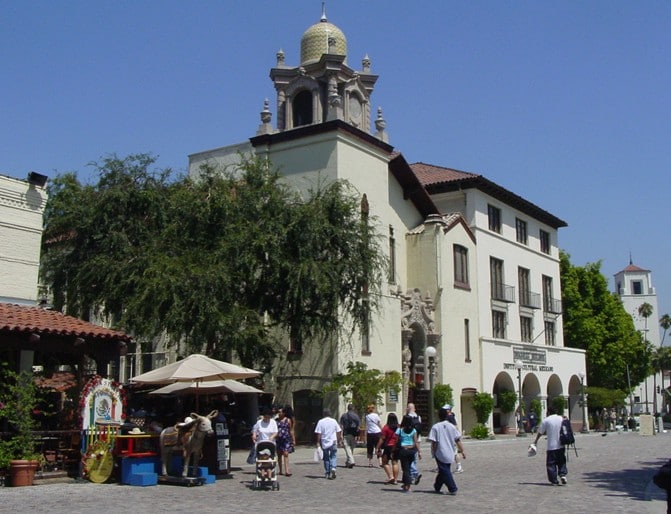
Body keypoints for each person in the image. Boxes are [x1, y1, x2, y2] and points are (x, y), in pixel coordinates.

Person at [428, 406, 465, 495]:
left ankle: (452, 488)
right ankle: (437, 486)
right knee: (443, 470)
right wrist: (462, 450)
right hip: (450, 450)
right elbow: (457, 439)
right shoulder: (452, 426)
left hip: (440, 451)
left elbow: (434, 442)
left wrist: (433, 451)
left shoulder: (436, 427)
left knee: (445, 470)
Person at [531, 405, 567, 485]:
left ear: (548, 412)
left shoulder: (546, 420)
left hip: (551, 446)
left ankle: (554, 480)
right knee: (561, 461)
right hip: (561, 444)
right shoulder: (561, 419)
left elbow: (540, 432)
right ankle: (562, 475)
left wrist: (536, 441)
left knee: (551, 463)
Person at [315, 408, 343, 480]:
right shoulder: (333, 421)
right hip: (333, 441)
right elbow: (339, 431)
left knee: (326, 458)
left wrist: (318, 442)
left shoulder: (320, 422)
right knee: (333, 456)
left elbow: (319, 433)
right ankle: (333, 468)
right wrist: (339, 439)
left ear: (323, 414)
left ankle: (328, 472)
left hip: (325, 442)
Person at [396, 414, 421, 492]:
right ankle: (405, 484)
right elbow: (416, 441)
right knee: (408, 467)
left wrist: (394, 450)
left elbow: (396, 440)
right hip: (411, 450)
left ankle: (408, 485)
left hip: (403, 450)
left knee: (405, 469)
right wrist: (419, 451)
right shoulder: (413, 430)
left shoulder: (400, 430)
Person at [375, 412, 400, 484]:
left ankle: (391, 476)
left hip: (388, 446)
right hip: (396, 446)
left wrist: (377, 447)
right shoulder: (399, 427)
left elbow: (382, 438)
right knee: (395, 463)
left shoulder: (386, 428)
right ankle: (395, 479)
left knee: (384, 462)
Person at [405, 403, 423, 484]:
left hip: (409, 440)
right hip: (417, 439)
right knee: (414, 458)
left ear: (408, 409)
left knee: (409, 459)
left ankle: (415, 474)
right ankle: (412, 476)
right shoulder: (418, 417)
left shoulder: (407, 417)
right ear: (414, 409)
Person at [339, 403, 360, 468]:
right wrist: (358, 435)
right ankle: (348, 462)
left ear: (347, 408)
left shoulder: (344, 416)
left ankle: (351, 461)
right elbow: (358, 426)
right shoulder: (356, 416)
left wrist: (340, 435)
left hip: (346, 433)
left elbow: (341, 426)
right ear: (353, 408)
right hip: (353, 434)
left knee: (347, 447)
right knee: (351, 448)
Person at [276, 406, 295, 476]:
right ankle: (280, 470)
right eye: (278, 412)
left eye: (280, 412)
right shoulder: (276, 420)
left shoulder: (288, 420)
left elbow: (291, 430)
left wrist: (293, 440)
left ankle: (287, 470)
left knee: (286, 454)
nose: (279, 413)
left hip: (286, 439)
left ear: (283, 413)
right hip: (278, 440)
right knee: (279, 455)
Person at [443, 404, 463, 473]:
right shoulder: (450, 416)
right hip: (448, 436)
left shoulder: (450, 417)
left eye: (446, 409)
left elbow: (455, 426)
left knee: (454, 452)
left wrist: (457, 434)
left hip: (451, 437)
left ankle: (459, 466)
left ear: (449, 410)